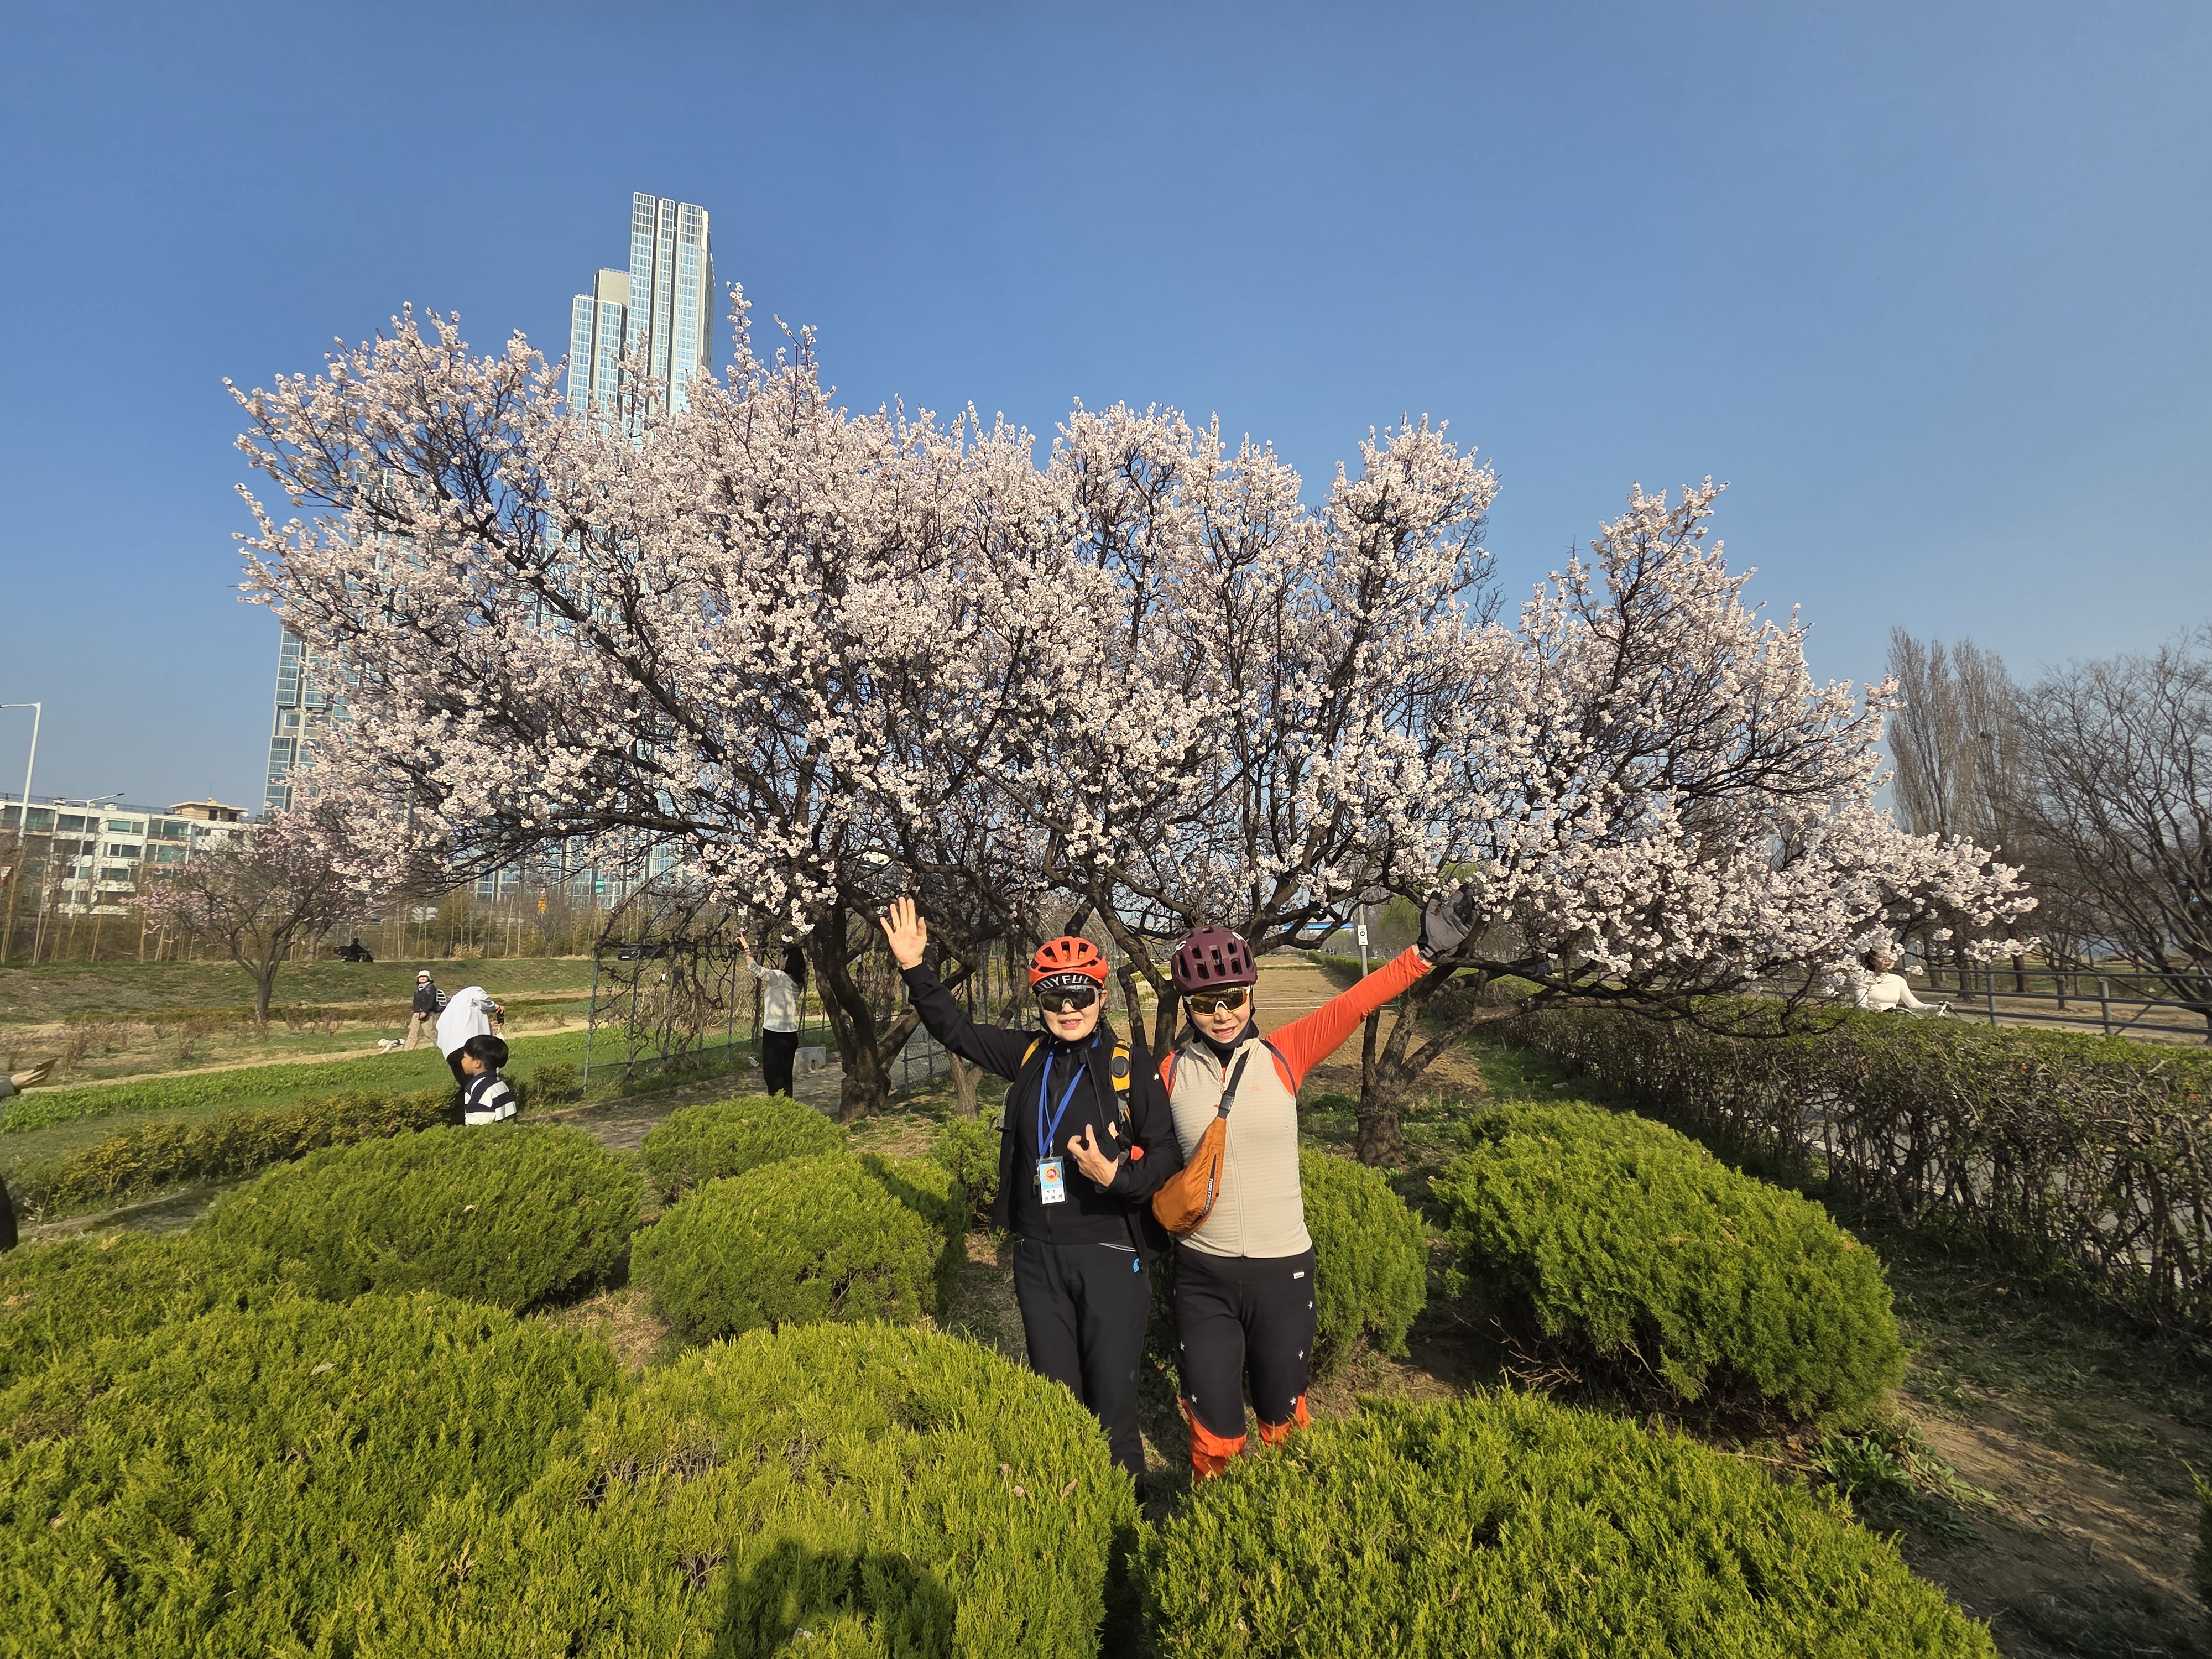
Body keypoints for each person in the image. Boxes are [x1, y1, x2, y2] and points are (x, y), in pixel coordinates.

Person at [1163, 888, 1477, 1481]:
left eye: (1233, 998)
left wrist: (1425, 953)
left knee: (1284, 1417)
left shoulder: (1284, 1054)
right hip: (1202, 1274)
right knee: (1212, 1427)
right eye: (1205, 1003)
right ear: (1187, 1007)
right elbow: (1139, 1153)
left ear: (1251, 994)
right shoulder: (1170, 1074)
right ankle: (1215, 1517)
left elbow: (1355, 1003)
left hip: (1283, 1272)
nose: (1222, 1014)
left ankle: (1290, 1514)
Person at [879, 896, 1182, 1490]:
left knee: (1113, 1407)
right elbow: (954, 1029)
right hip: (1037, 1257)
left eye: (1080, 996)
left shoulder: (1129, 1066)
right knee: (1056, 1400)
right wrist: (915, 967)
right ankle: (1066, 1511)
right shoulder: (1026, 1054)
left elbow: (1168, 1153)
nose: (1068, 1010)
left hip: (1111, 1254)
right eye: (1053, 998)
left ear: (1102, 997)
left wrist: (1117, 1179)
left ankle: (1126, 1521)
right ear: (1038, 1002)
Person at [741, 936, 807, 1096]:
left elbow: (754, 968)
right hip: (790, 1035)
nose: (779, 961)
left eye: (781, 958)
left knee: (773, 1079)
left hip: (774, 1035)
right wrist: (784, 952)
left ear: (787, 959)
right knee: (786, 1078)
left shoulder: (779, 977)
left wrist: (746, 947)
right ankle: (788, 1107)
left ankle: (777, 1107)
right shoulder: (799, 981)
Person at [435, 984, 504, 1088]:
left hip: (450, 1054)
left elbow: (441, 1039)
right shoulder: (472, 991)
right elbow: (480, 999)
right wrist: (496, 1007)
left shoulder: (447, 1012)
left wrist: (488, 1027)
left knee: (469, 1087)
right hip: (470, 1047)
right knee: (484, 1084)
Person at [1856, 951, 1947, 1015]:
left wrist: (1937, 1008)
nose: (1888, 960)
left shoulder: (1898, 980)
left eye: (1891, 956)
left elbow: (1914, 1005)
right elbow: (1861, 1005)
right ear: (1872, 960)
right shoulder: (1863, 979)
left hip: (1893, 1018)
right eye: (1882, 957)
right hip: (1872, 1018)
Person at [456, 1034, 518, 1124]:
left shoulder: (478, 1091)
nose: (462, 1061)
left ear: (477, 1063)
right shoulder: (499, 1083)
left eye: (465, 1057)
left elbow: (478, 1125)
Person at [405, 970, 441, 1050]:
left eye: (425, 977)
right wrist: (415, 1010)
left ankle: (440, 1045)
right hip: (417, 1013)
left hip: (428, 1013)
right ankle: (408, 1049)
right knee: (413, 1032)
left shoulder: (431, 988)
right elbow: (415, 1001)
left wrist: (425, 1011)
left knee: (429, 1032)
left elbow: (432, 1001)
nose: (422, 978)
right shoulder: (417, 989)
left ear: (428, 978)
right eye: (420, 977)